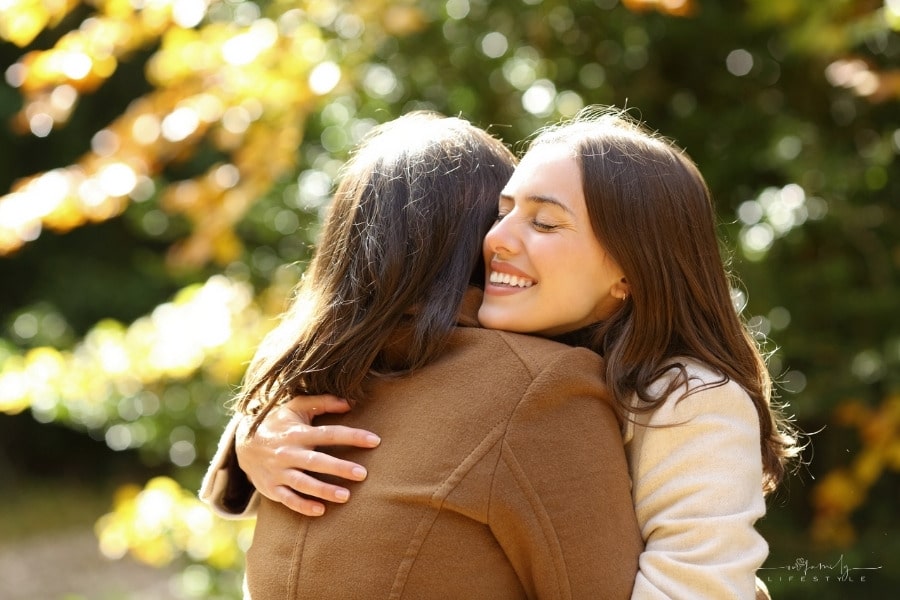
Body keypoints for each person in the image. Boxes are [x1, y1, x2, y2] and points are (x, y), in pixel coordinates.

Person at [202, 107, 799, 598]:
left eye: (545, 223)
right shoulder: (524, 365)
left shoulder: (691, 398)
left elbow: (700, 582)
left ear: (629, 271)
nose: (496, 239)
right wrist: (256, 427)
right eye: (503, 213)